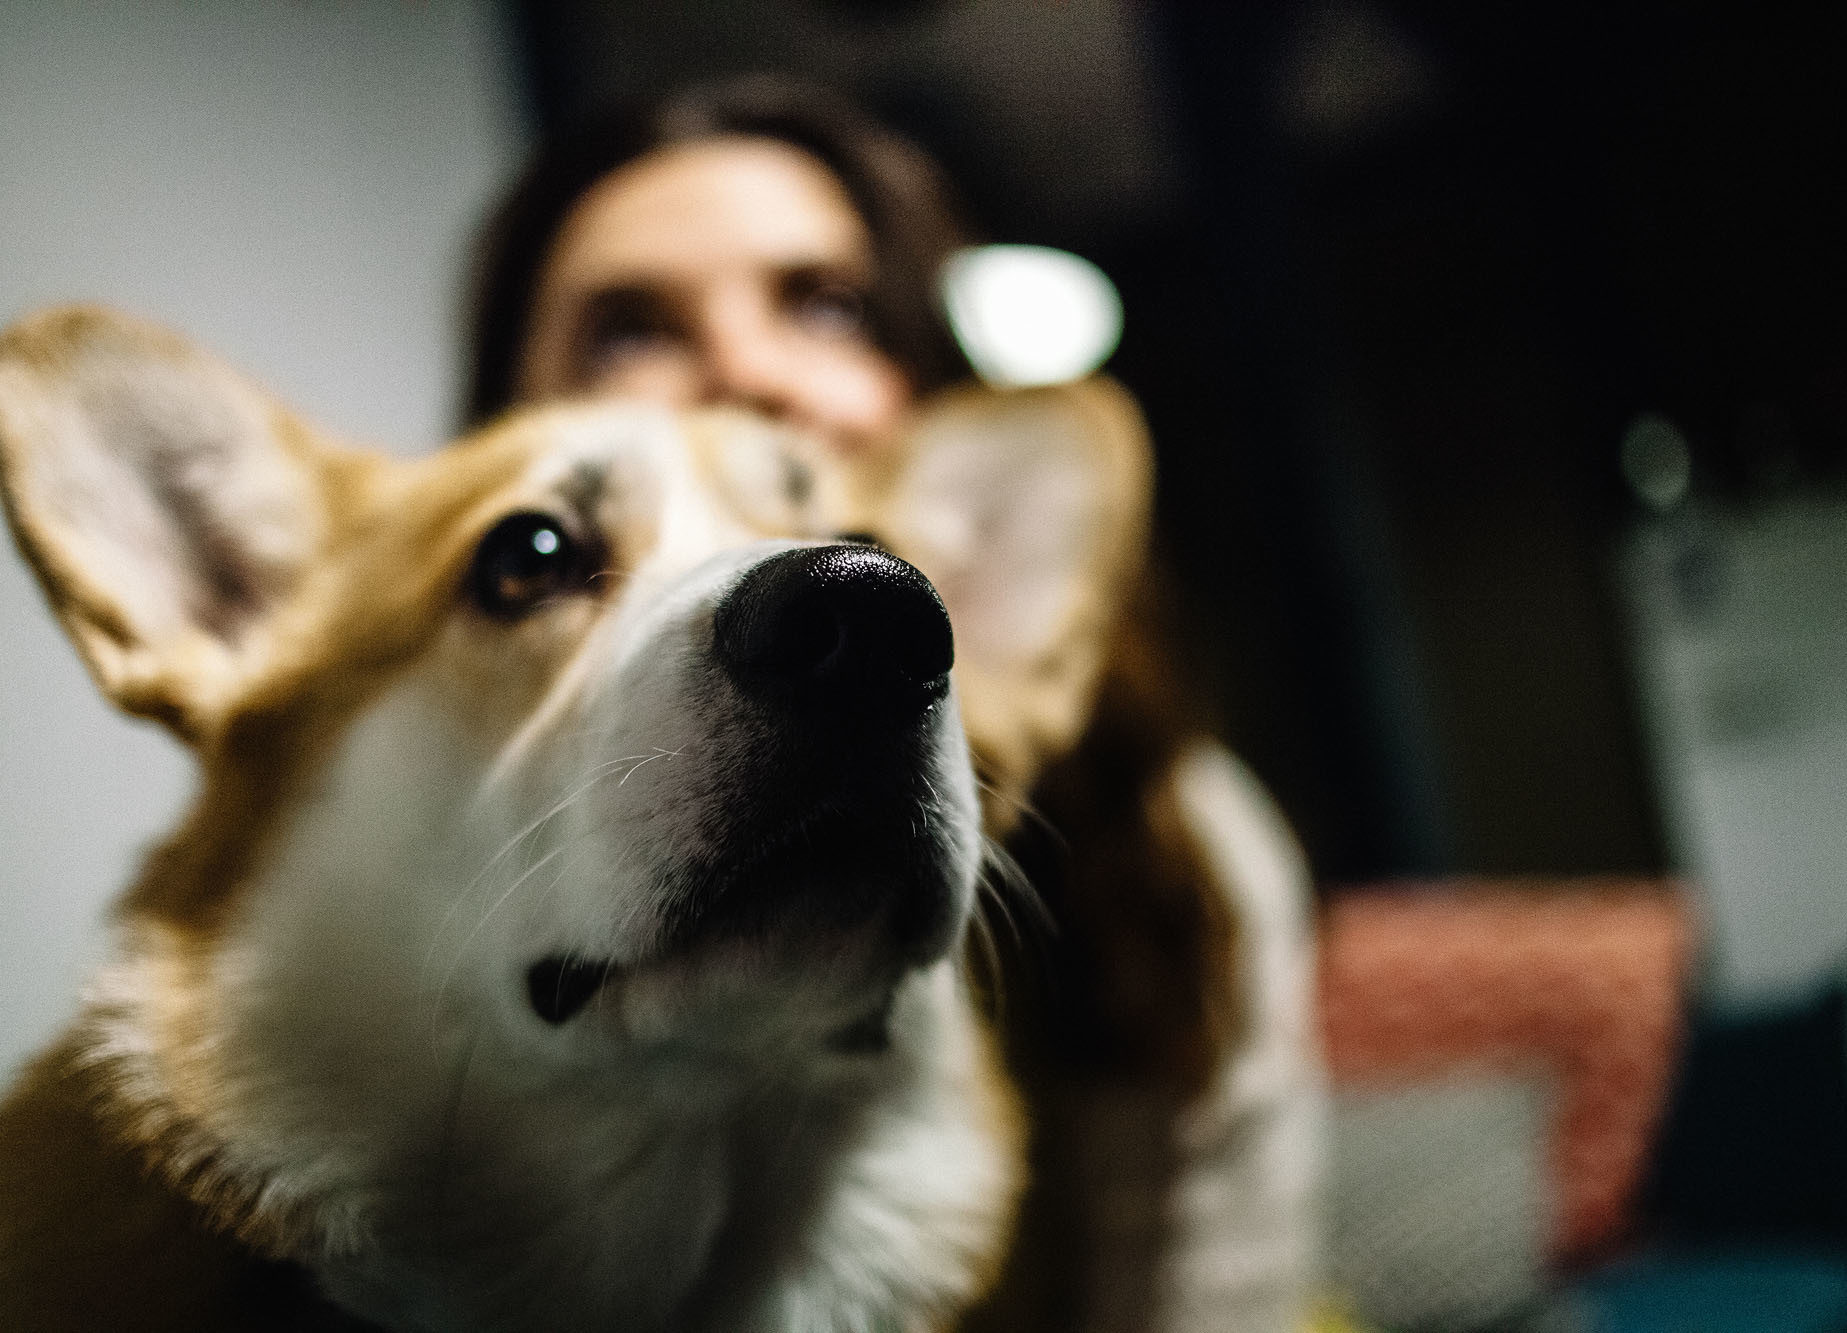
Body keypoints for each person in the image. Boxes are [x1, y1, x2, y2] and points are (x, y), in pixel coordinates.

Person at [464, 76, 1324, 1333]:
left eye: (825, 306)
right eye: (625, 331)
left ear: (928, 378)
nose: (744, 369)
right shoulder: (417, 844)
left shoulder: (1181, 842)